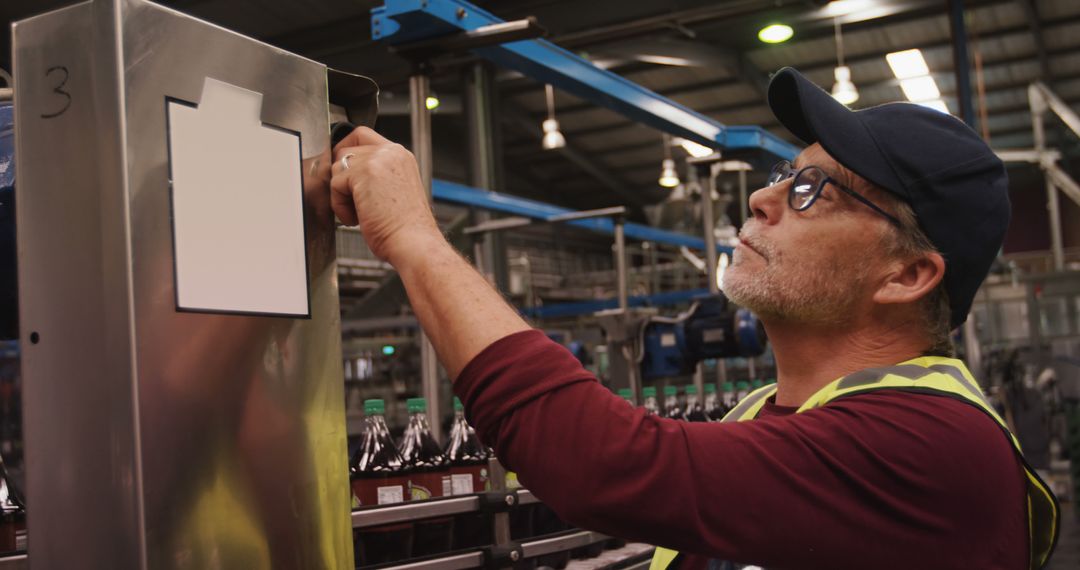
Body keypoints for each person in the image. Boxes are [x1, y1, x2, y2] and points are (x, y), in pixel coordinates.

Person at [328, 67, 1059, 569]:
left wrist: (414, 239)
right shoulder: (769, 415)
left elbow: (598, 462)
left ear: (907, 275)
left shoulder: (932, 445)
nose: (763, 200)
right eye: (782, 176)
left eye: (815, 192)